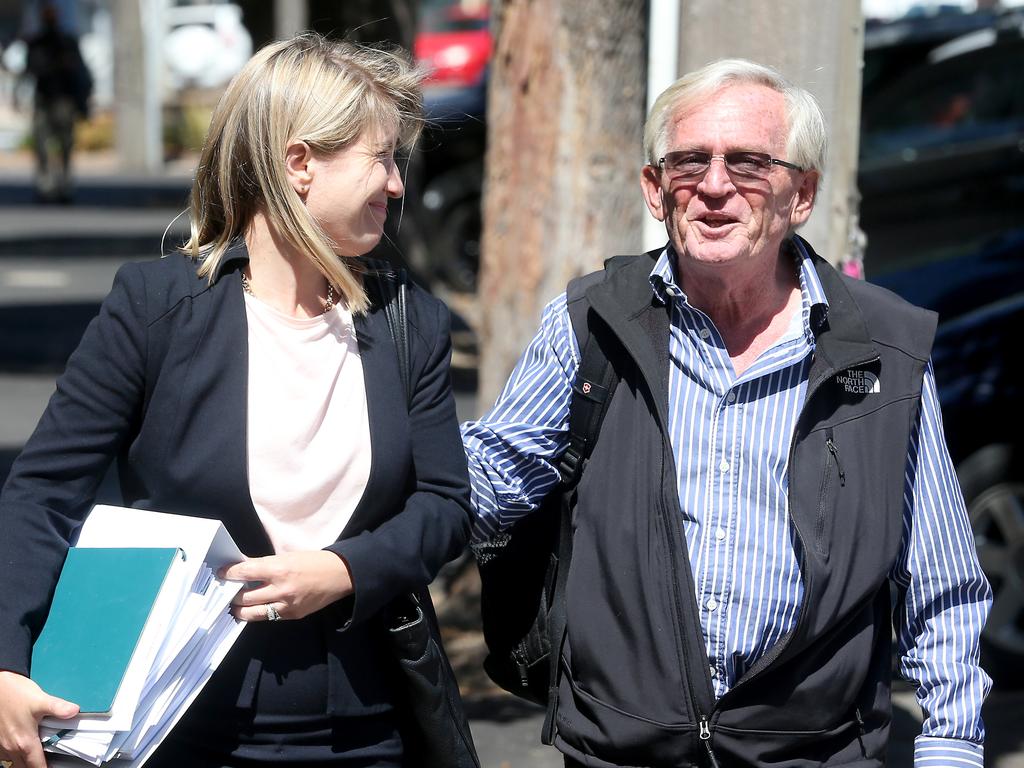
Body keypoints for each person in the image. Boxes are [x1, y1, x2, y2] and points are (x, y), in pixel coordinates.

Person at [462, 59, 992, 768]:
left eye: (747, 163)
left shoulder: (886, 350)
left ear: (800, 194)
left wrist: (951, 747)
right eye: (689, 162)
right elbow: (489, 487)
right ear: (655, 190)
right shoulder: (592, 323)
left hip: (812, 753)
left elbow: (941, 585)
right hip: (620, 751)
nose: (714, 186)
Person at [0, 34, 473, 768]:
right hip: (176, 724)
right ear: (299, 164)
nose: (397, 184)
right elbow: (42, 493)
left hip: (365, 725)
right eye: (380, 157)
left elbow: (444, 505)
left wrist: (347, 571)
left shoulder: (410, 319)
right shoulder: (154, 309)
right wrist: (5, 662)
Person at [22, 2, 91, 203]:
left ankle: (65, 182)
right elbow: (30, 70)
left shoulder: (67, 42)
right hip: (44, 99)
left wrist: (81, 101)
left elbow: (80, 72)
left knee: (65, 144)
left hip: (63, 100)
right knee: (41, 143)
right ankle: (46, 184)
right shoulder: (37, 43)